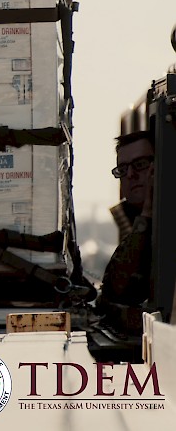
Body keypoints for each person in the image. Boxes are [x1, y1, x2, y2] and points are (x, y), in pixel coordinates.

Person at [97, 129, 155, 335]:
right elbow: (115, 290)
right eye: (122, 169)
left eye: (140, 164)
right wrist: (146, 215)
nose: (130, 175)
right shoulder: (135, 219)